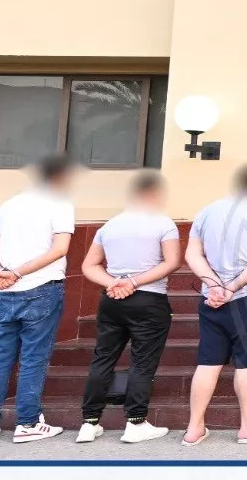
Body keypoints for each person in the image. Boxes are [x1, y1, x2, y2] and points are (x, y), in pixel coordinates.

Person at [0, 155, 76, 444]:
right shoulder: (61, 203)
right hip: (42, 288)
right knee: (33, 358)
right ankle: (28, 423)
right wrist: (16, 273)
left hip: (5, 292)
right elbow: (60, 249)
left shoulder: (10, 204)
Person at [76, 170, 181, 444]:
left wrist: (114, 283)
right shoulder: (163, 223)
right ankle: (136, 422)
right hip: (149, 300)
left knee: (103, 358)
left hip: (112, 300)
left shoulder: (109, 226)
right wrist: (133, 282)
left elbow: (88, 265)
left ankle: (89, 422)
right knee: (142, 362)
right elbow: (172, 262)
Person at [182, 163, 247, 446]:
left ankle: (193, 429)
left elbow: (192, 255)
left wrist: (214, 285)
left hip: (212, 300)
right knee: (246, 363)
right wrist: (231, 287)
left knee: (208, 362)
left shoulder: (207, 211)